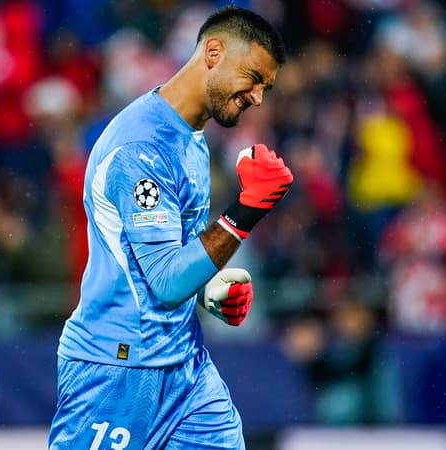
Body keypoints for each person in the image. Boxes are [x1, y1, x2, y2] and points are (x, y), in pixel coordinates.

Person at [48, 6, 293, 449]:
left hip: (185, 371)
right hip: (116, 371)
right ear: (213, 53)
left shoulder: (189, 136)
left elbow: (168, 256)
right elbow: (163, 281)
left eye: (266, 87)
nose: (258, 96)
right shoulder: (141, 147)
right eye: (253, 77)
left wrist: (208, 288)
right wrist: (247, 209)